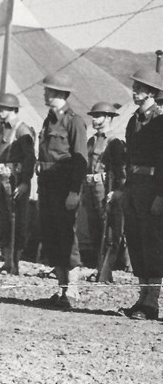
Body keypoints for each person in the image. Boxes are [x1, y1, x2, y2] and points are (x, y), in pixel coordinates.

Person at [36, 74, 87, 309]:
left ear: (59, 93)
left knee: (67, 236)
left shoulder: (74, 121)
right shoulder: (49, 120)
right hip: (47, 185)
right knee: (51, 235)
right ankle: (61, 290)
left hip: (64, 185)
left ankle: (73, 291)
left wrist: (74, 192)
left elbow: (80, 161)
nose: (45, 94)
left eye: (48, 91)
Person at [120, 69, 163, 320]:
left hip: (152, 184)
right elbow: (128, 157)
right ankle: (141, 298)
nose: (135, 91)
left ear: (151, 92)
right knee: (135, 240)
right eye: (135, 86)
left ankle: (152, 302)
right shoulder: (132, 120)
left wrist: (160, 195)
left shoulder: (160, 121)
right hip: (133, 184)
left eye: (139, 87)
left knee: (153, 243)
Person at [82, 102, 127, 282]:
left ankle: (106, 271)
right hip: (89, 185)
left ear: (108, 118)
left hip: (104, 187)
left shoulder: (114, 141)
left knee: (108, 230)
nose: (94, 119)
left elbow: (121, 171)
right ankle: (99, 268)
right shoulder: (92, 140)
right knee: (95, 229)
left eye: (98, 115)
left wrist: (117, 191)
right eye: (93, 116)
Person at [0, 93, 36, 275]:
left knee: (17, 221)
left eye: (5, 108)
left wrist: (25, 182)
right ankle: (7, 261)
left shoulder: (21, 130)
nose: (0, 111)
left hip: (16, 180)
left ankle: (15, 263)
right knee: (2, 220)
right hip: (1, 180)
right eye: (0, 108)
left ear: (13, 110)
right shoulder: (2, 129)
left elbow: (30, 158)